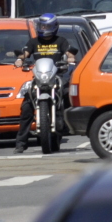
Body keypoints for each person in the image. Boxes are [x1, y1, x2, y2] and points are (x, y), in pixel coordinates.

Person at [12, 14, 77, 154]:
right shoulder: (33, 42)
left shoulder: (61, 41)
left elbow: (69, 53)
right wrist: (20, 59)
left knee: (67, 96)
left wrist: (70, 58)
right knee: (27, 107)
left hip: (56, 76)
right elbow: (25, 53)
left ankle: (67, 126)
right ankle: (21, 143)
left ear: (54, 26)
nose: (44, 28)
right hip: (39, 78)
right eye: (42, 26)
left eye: (46, 26)